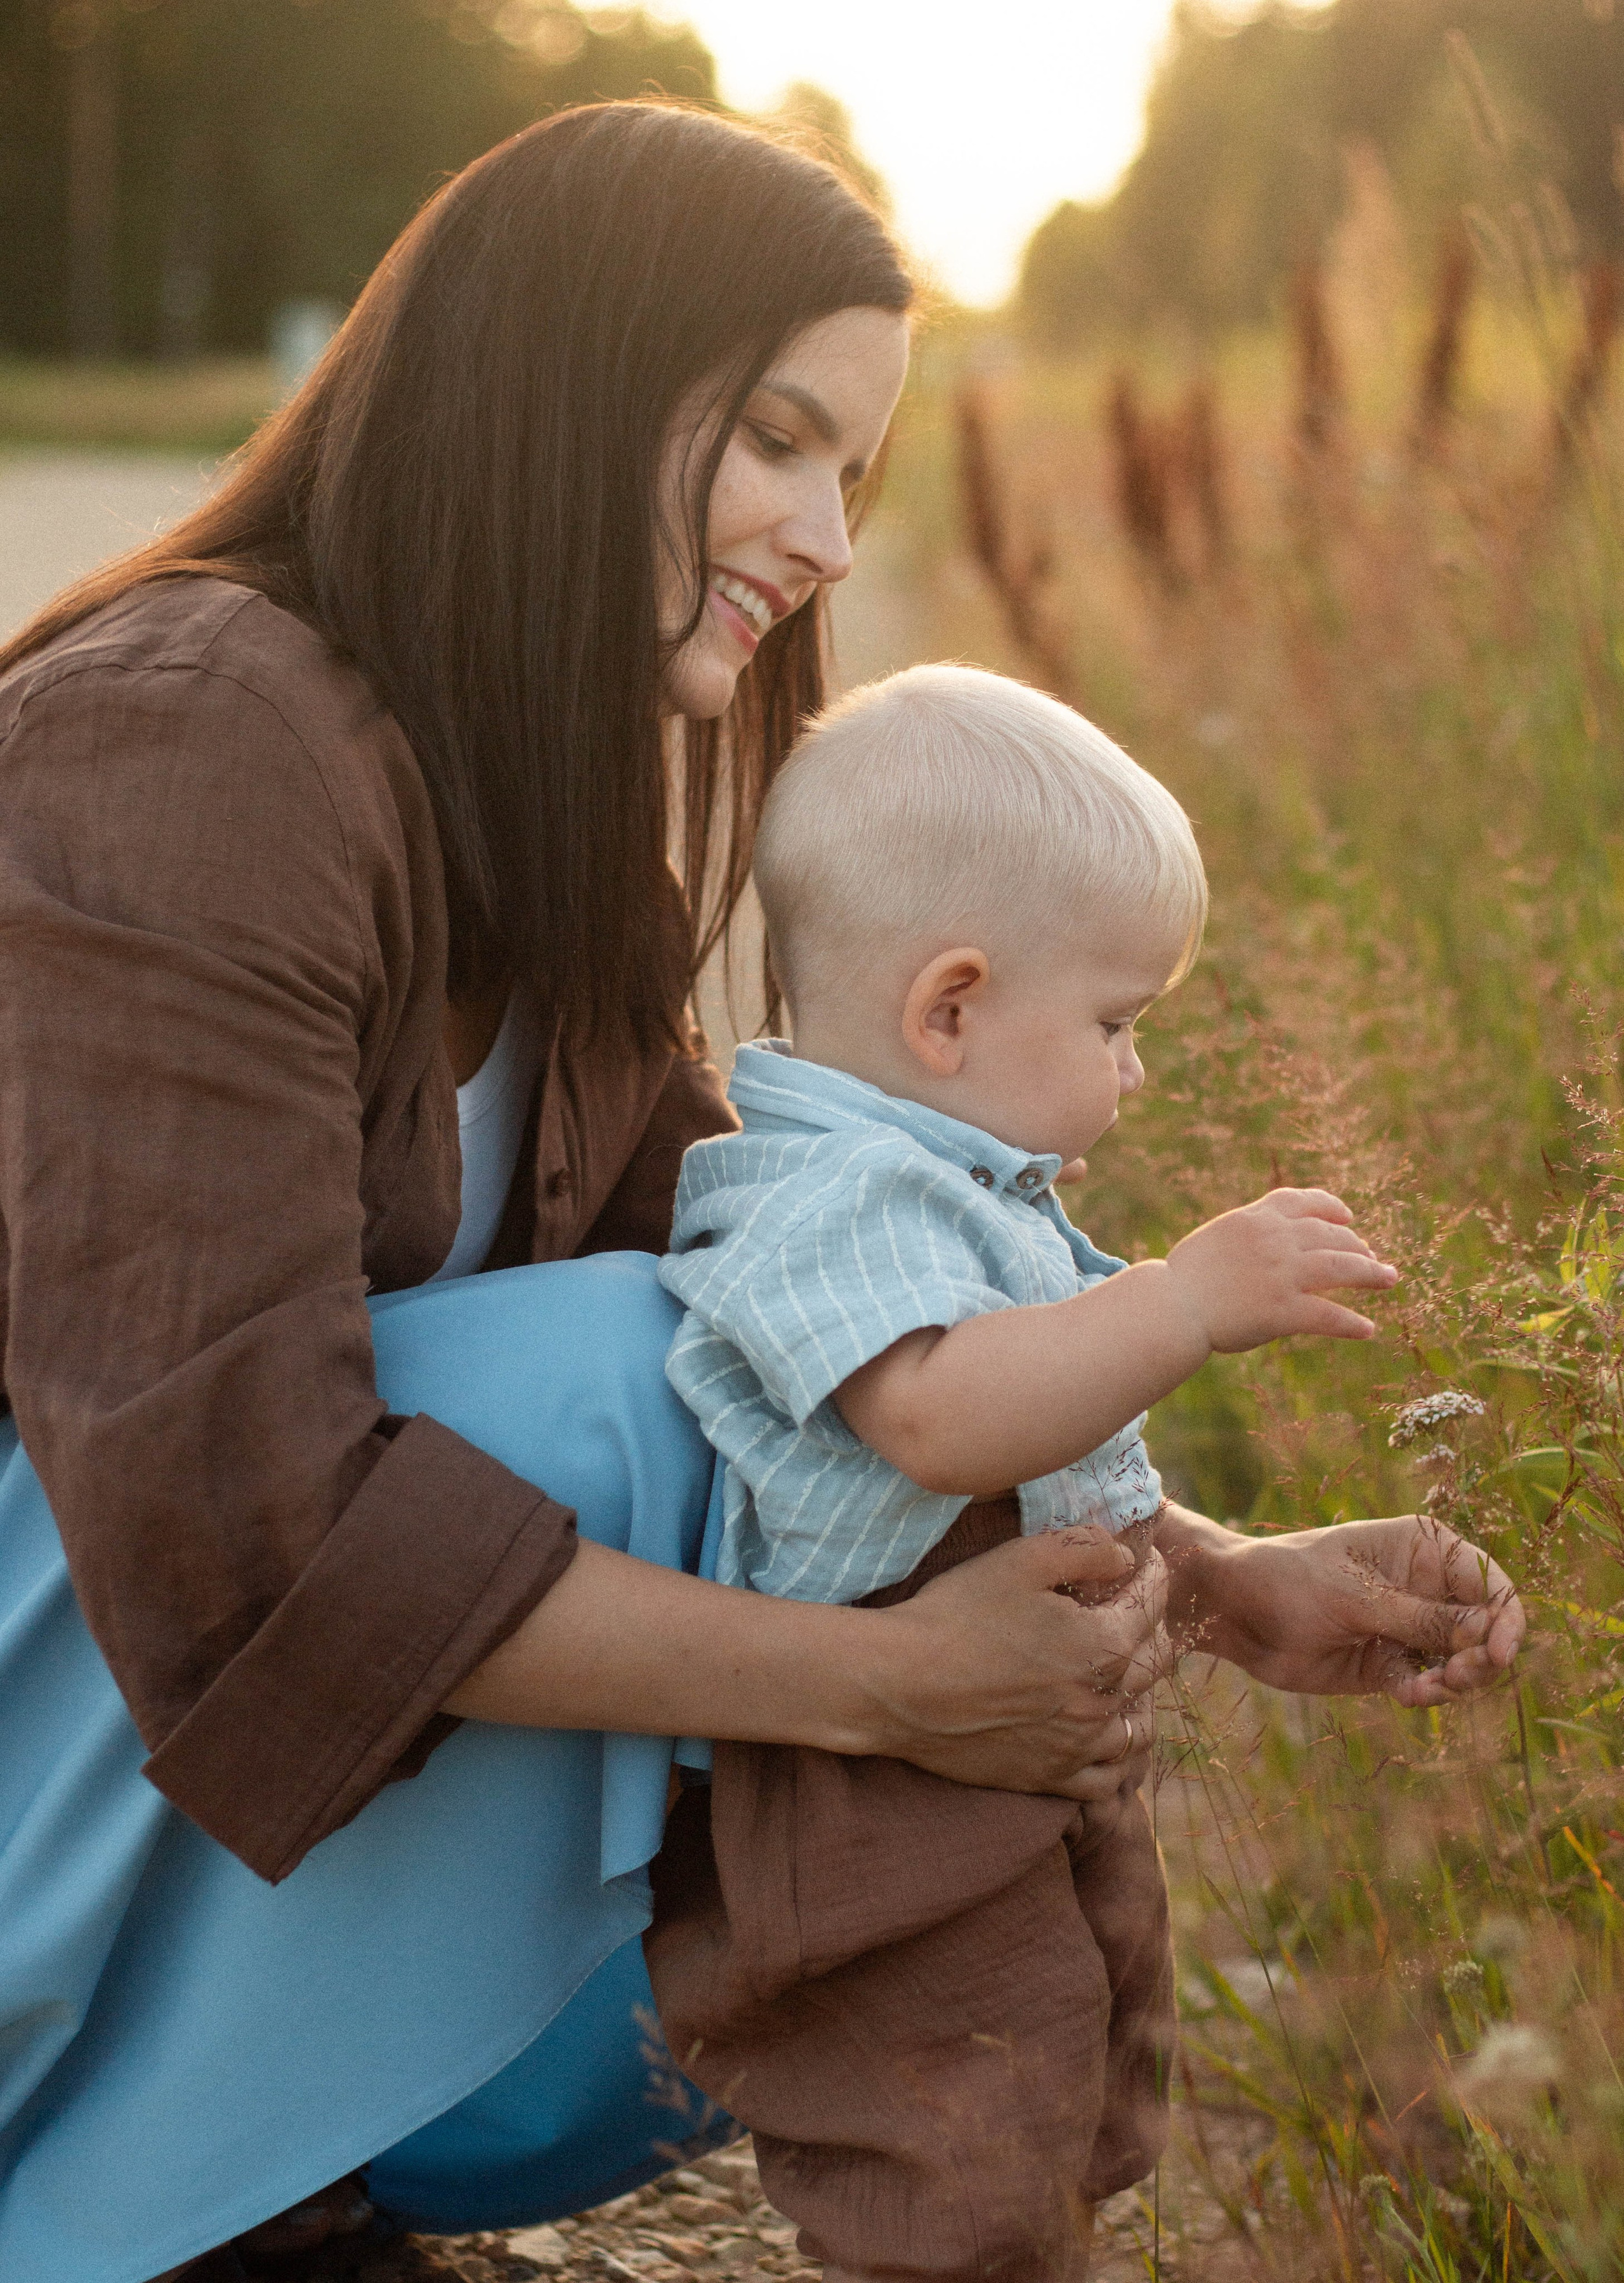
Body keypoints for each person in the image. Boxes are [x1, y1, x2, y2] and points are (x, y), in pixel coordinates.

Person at [0, 99, 1519, 2283]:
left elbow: (829, 1328)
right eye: (780, 439)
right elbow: (244, 1532)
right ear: (572, 376)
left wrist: (1208, 1567)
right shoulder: (185, 737)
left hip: (153, 1767)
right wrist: (881, 1687)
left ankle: (271, 2162)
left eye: (860, 475)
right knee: (617, 1377)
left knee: (683, 1344)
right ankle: (133, 2170)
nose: (820, 532)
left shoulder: (538, 794)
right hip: (68, 1721)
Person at [645, 666, 1524, 2283]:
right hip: (866, 1794)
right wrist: (1176, 1301)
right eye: (1117, 1023)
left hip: (987, 1757)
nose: (1136, 1073)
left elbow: (1044, 1474)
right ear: (951, 1008)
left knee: (1062, 2074)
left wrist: (1232, 1572)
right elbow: (937, 1420)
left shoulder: (956, 1182)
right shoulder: (824, 1193)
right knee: (945, 2153)